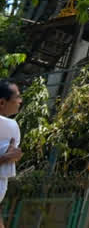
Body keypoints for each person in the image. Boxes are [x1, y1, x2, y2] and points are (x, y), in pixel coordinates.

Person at [0, 80, 23, 221]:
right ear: (2, 102)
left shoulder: (9, 128)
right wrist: (5, 158)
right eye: (17, 97)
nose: (20, 101)